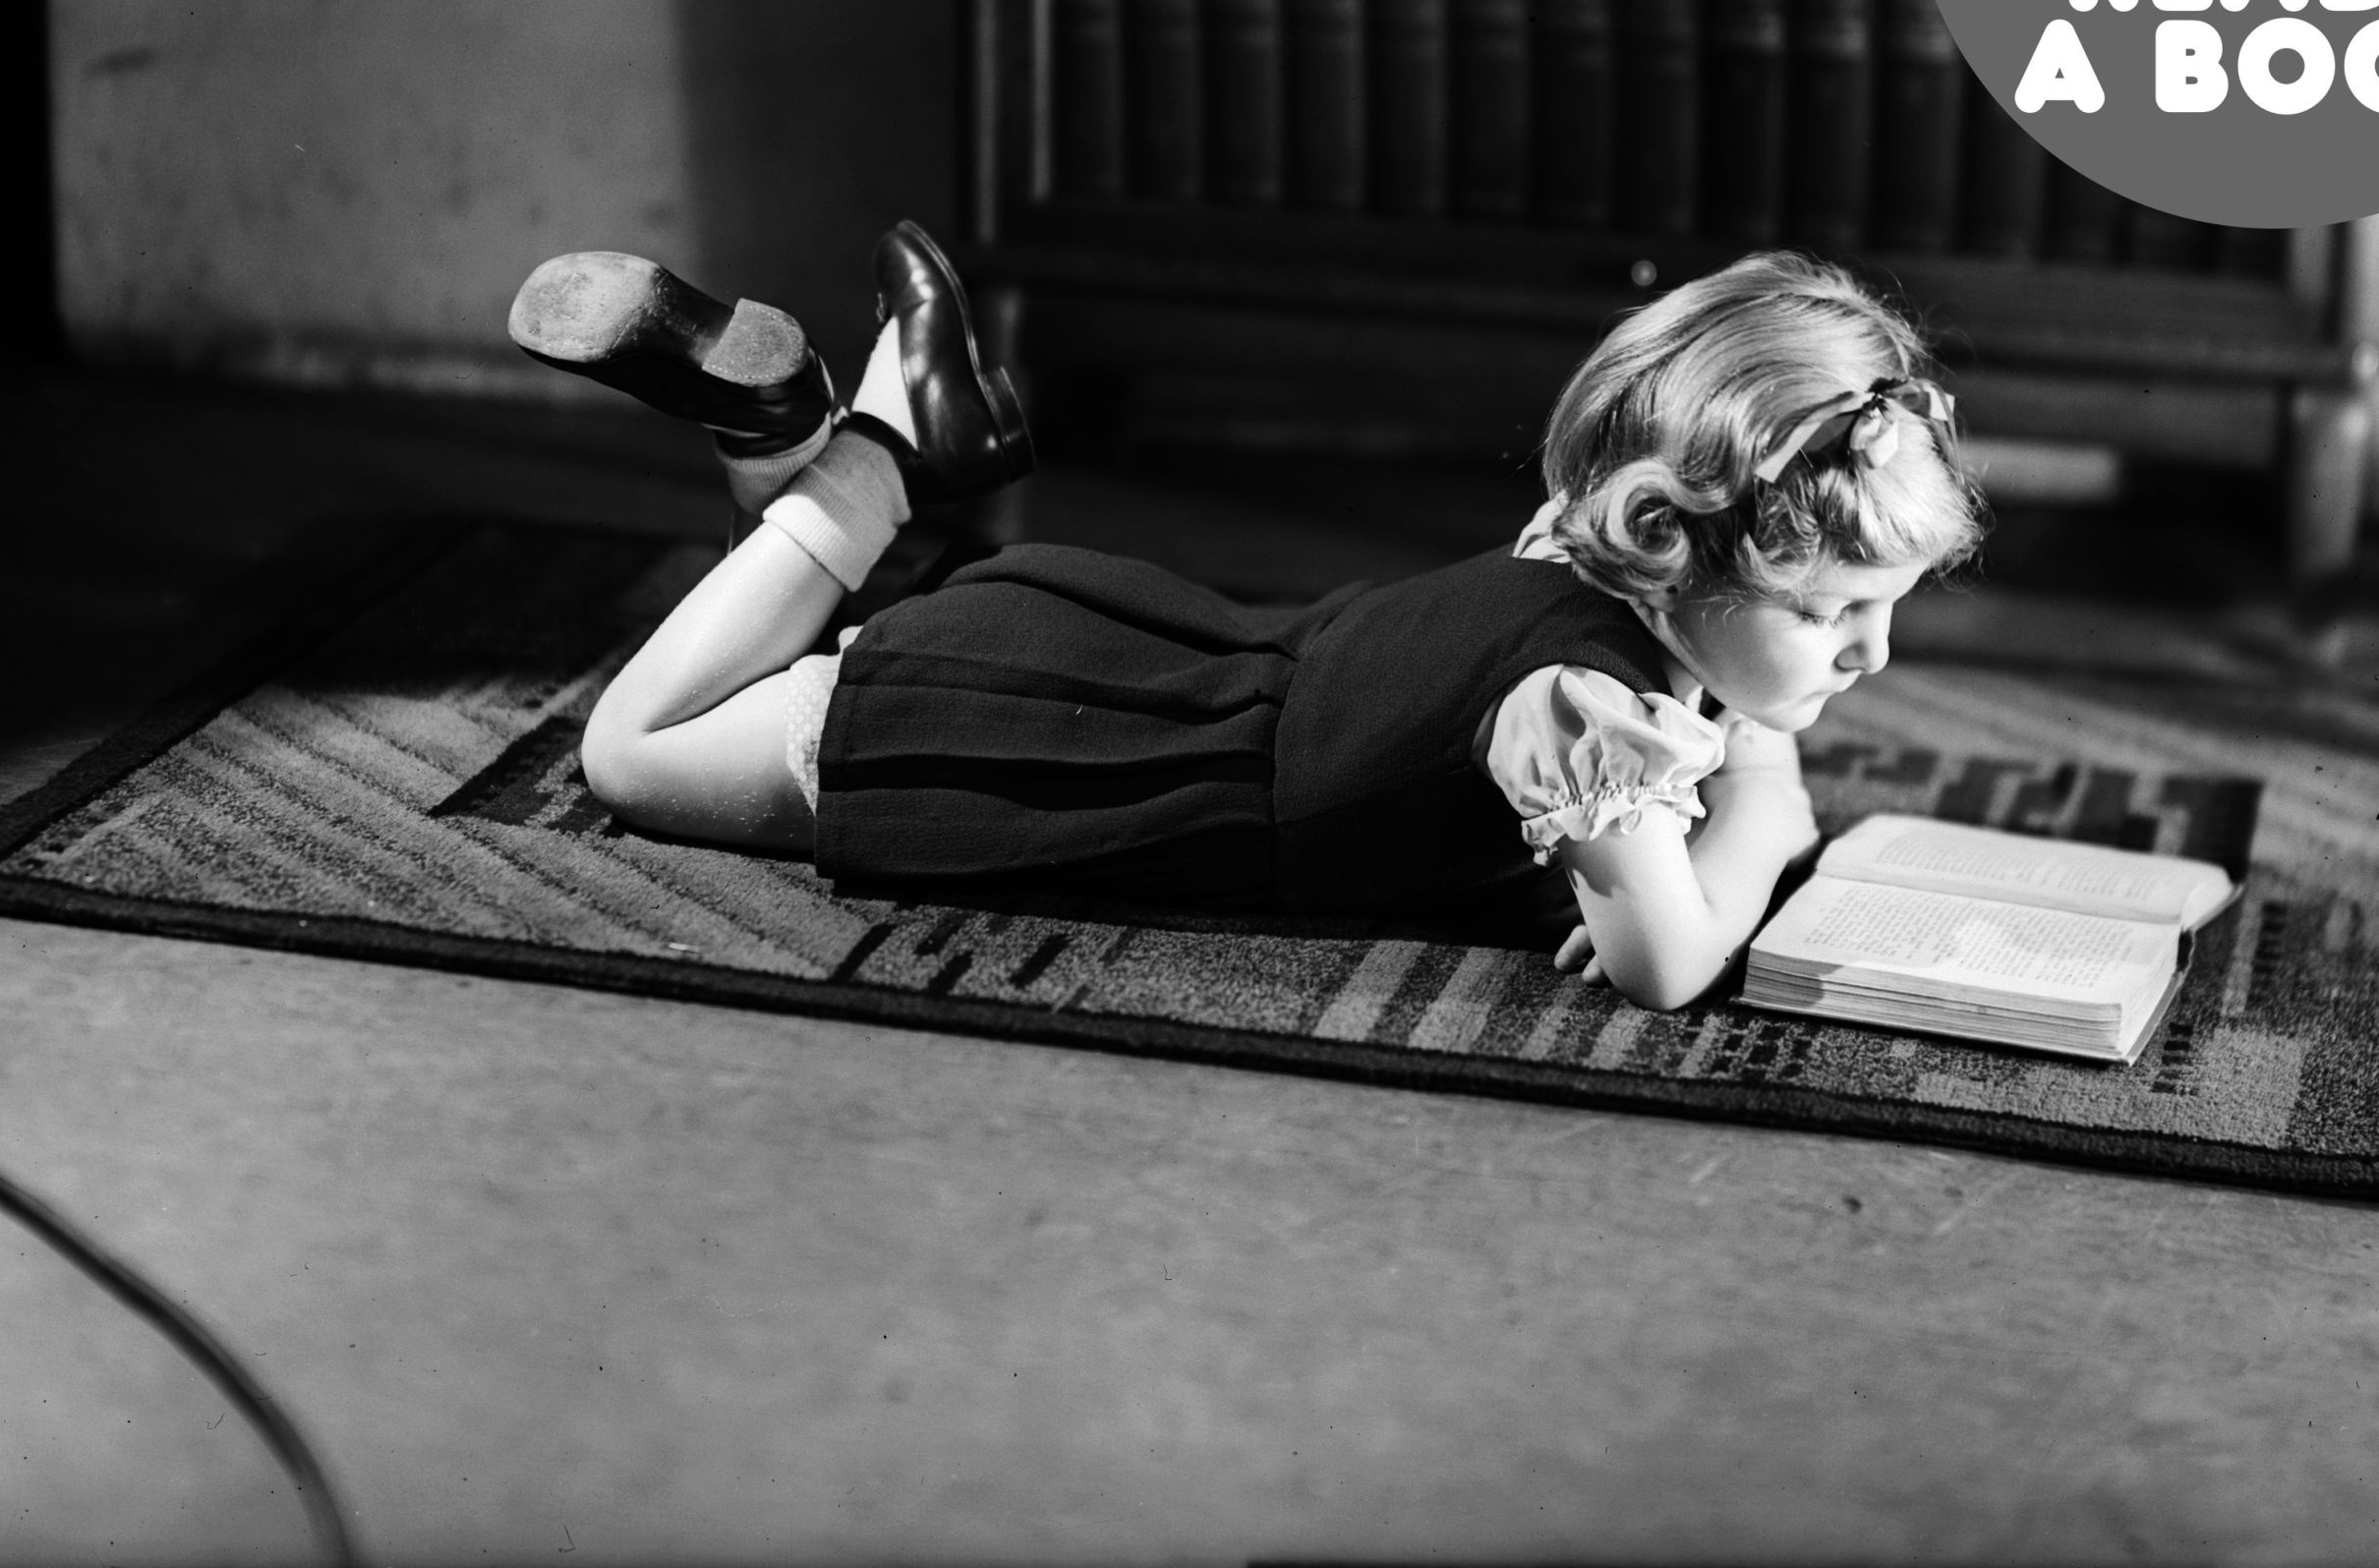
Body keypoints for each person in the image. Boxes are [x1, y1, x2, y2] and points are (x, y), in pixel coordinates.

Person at [509, 226, 1985, 1011]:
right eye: (1831, 609)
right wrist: (1765, 810)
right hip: (1065, 761)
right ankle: (878, 461)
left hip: (1117, 665)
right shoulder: (1584, 714)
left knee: (801, 638)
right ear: (1665, 548)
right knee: (636, 753)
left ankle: (789, 443)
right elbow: (1670, 967)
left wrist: (1732, 752)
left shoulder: (1583, 559)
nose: (1872, 656)